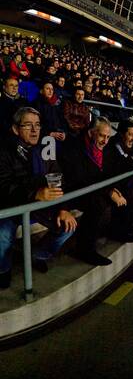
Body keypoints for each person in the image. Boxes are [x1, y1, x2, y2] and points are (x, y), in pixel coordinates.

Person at [0, 107, 77, 288]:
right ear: (15, 128)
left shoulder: (45, 150)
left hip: (39, 206)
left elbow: (58, 179)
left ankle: (37, 255)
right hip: (12, 207)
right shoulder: (4, 152)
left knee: (68, 226)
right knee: (2, 234)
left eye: (37, 125)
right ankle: (3, 269)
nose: (35, 130)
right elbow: (3, 188)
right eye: (28, 125)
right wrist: (34, 193)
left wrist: (63, 208)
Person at [65, 117, 133, 266]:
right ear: (91, 133)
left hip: (94, 187)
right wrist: (109, 191)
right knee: (97, 203)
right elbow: (81, 179)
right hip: (73, 190)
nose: (105, 141)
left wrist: (113, 189)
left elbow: (111, 171)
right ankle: (84, 250)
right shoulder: (75, 147)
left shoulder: (105, 148)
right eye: (102, 136)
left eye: (108, 137)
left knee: (123, 191)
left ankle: (118, 230)